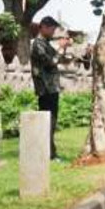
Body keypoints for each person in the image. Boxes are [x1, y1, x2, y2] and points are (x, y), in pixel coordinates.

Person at [30, 16, 72, 161]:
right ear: (44, 27)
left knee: (51, 122)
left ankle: (50, 153)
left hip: (51, 87)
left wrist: (64, 49)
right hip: (45, 88)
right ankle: (49, 154)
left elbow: (60, 59)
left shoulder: (45, 43)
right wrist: (60, 48)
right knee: (48, 122)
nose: (54, 32)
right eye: (52, 29)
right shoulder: (38, 44)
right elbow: (51, 63)